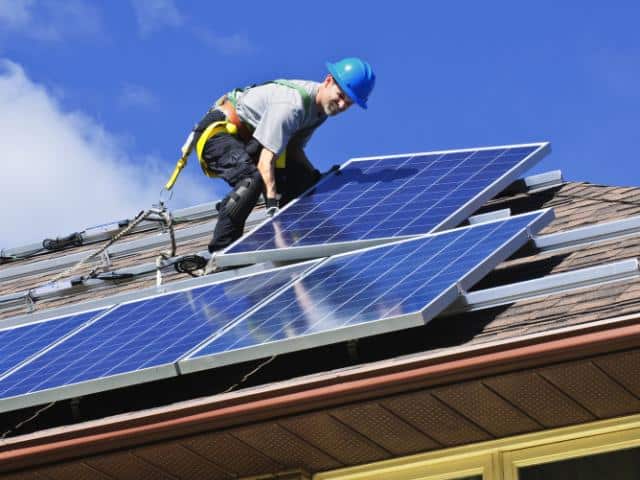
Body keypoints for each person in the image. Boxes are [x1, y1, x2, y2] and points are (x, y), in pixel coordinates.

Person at [192, 58, 376, 260]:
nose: (341, 105)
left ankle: (303, 239)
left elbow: (294, 149)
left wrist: (315, 178)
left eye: (348, 104)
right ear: (328, 81)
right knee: (251, 181)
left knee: (304, 183)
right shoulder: (293, 105)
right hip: (219, 134)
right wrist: (272, 204)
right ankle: (222, 252)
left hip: (250, 142)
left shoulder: (319, 112)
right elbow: (265, 162)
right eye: (340, 96)